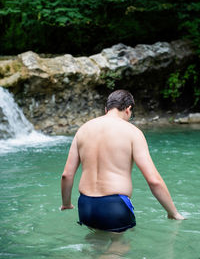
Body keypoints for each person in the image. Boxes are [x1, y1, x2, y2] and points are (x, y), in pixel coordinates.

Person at [61, 89, 184, 232]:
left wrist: (66, 204)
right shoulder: (132, 132)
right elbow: (153, 180)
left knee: (94, 245)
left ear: (106, 109)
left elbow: (67, 175)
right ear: (128, 109)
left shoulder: (83, 130)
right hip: (114, 205)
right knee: (118, 251)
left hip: (85, 204)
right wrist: (173, 212)